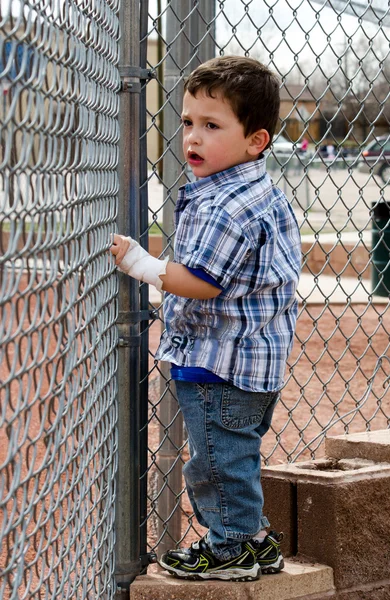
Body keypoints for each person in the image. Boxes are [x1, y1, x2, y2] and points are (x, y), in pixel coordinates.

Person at [110, 55, 301, 582]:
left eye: (211, 126)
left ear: (255, 140)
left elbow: (202, 280)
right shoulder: (249, 189)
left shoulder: (229, 204)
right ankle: (254, 541)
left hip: (223, 364)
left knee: (215, 464)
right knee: (232, 458)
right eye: (188, 122)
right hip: (245, 359)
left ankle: (231, 549)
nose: (192, 136)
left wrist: (142, 265)